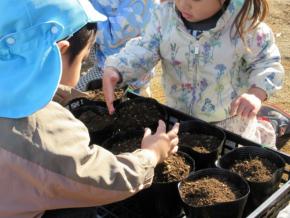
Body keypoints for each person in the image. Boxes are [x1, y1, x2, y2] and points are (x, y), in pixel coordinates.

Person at [0, 0, 179, 217]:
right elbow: (106, 178)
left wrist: (53, 93)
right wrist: (151, 154)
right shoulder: (41, 129)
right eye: (83, 59)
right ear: (59, 52)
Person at [102, 0, 284, 148]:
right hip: (179, 115)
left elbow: (266, 62)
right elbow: (145, 48)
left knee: (226, 164)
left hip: (230, 121)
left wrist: (256, 93)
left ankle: (276, 124)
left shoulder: (245, 24)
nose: (183, 5)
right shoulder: (165, 16)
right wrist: (118, 68)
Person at [75, 0, 156, 96]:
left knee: (77, 95)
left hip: (120, 70)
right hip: (103, 58)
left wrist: (82, 15)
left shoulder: (142, 3)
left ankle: (135, 93)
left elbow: (113, 37)